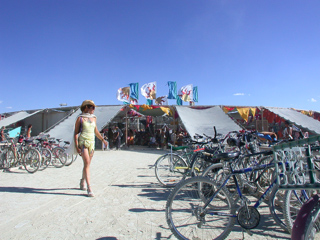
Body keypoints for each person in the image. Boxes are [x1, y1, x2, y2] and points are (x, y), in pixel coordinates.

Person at [74, 100, 108, 197]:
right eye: (92, 107)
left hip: (91, 143)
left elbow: (96, 131)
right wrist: (76, 145)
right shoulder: (80, 118)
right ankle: (89, 187)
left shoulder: (94, 118)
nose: (93, 109)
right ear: (86, 108)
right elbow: (76, 133)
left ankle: (82, 180)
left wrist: (103, 140)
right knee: (87, 163)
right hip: (83, 142)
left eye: (94, 107)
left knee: (87, 165)